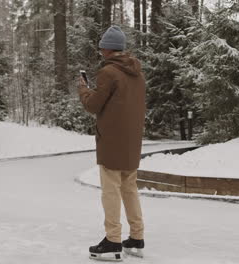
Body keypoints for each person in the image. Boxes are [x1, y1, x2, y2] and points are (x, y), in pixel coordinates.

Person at [78, 26, 146, 261]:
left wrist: (83, 88)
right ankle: (137, 237)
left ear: (107, 49)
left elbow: (93, 105)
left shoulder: (109, 72)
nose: (100, 51)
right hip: (132, 141)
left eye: (101, 47)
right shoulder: (137, 72)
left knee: (110, 190)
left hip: (111, 141)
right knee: (130, 188)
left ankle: (113, 241)